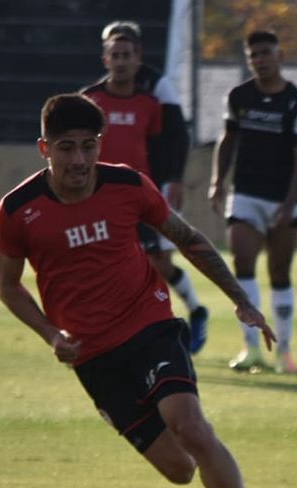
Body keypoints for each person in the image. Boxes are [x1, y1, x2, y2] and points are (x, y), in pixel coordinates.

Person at [0, 93, 281, 488]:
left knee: (190, 425)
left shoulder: (128, 185)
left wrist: (241, 299)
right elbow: (7, 286)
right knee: (179, 470)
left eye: (89, 145)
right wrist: (50, 334)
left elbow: (187, 238)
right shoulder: (18, 209)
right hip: (92, 355)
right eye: (67, 148)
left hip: (149, 326)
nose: (80, 160)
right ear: (45, 149)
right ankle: (132, 419)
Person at [82, 20, 210, 354]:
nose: (121, 60)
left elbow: (166, 142)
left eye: (127, 54)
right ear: (105, 59)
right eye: (115, 54)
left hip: (141, 196)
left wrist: (171, 180)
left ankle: (195, 310)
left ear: (138, 58)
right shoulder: (89, 99)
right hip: (99, 198)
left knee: (158, 262)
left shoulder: (151, 100)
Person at [208, 30, 297, 374]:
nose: (260, 60)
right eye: (253, 55)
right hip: (246, 195)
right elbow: (228, 140)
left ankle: (284, 352)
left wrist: (290, 201)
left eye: (266, 53)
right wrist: (217, 182)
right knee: (242, 263)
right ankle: (251, 348)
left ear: (280, 56)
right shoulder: (239, 96)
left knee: (280, 273)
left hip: (283, 200)